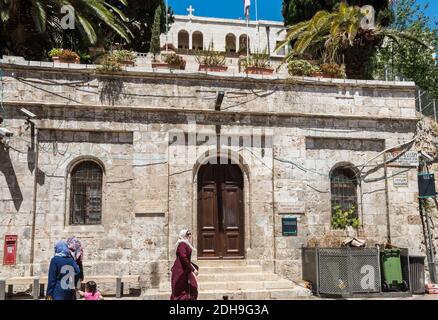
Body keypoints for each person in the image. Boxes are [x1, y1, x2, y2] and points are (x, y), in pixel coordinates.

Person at [170, 229, 199, 300]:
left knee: (192, 287)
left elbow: (186, 259)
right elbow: (183, 258)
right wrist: (193, 269)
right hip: (180, 271)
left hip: (185, 269)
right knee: (180, 290)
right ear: (184, 236)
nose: (190, 236)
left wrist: (193, 266)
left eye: (190, 234)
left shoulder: (185, 244)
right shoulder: (182, 244)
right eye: (188, 234)